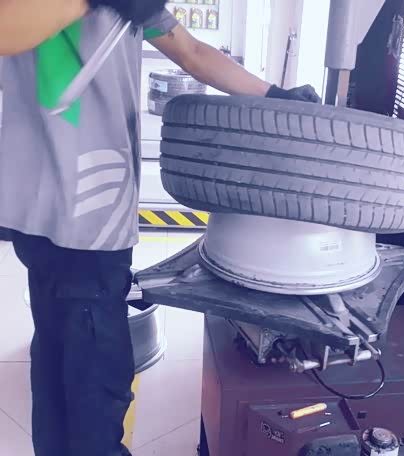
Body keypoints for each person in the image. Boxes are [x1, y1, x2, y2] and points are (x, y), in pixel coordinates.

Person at [0, 1, 320, 455]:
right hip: (82, 217)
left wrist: (274, 94)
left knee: (57, 360)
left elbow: (191, 51)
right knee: (96, 377)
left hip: (60, 210)